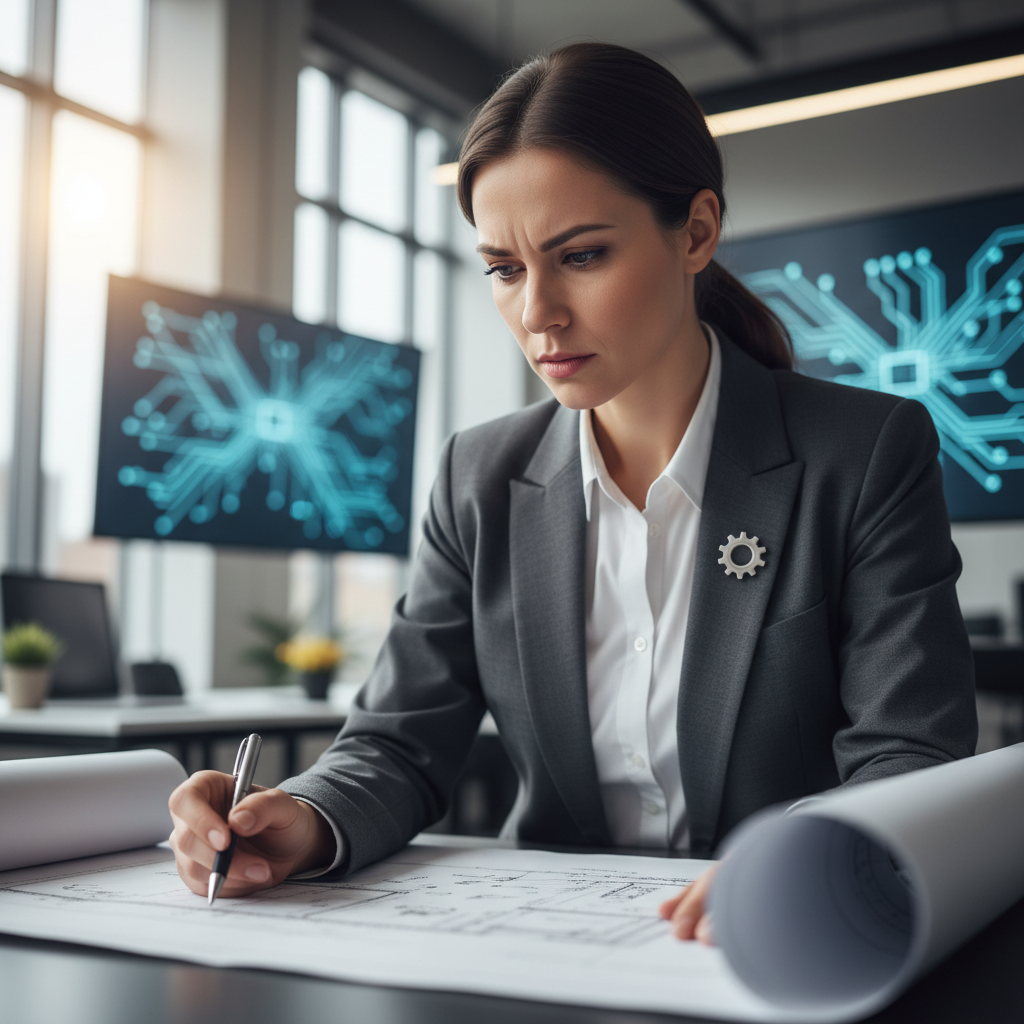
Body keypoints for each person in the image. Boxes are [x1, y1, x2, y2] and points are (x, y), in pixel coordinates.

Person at [168, 42, 977, 944]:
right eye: (505, 270)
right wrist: (302, 821)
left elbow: (911, 748)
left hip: (784, 938)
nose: (538, 313)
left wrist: (806, 854)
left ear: (696, 232)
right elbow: (397, 742)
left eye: (581, 255)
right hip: (552, 947)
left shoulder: (862, 451)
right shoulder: (479, 477)